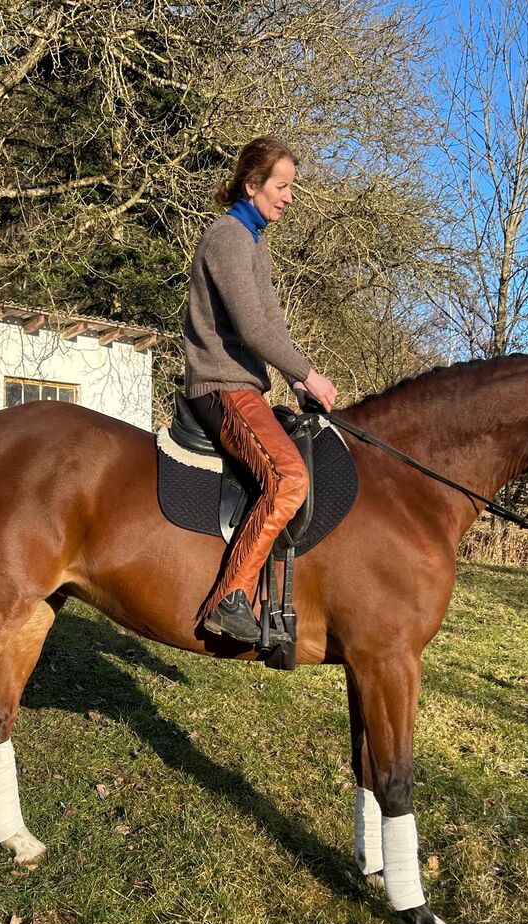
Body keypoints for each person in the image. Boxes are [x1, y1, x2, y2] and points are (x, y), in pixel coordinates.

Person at [182, 136, 339, 643]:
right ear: (252, 185)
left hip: (244, 385)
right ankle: (230, 599)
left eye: (291, 187)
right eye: (282, 186)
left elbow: (270, 324)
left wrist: (294, 378)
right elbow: (251, 329)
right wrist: (310, 373)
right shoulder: (228, 237)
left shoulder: (254, 241)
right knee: (290, 478)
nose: (289, 197)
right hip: (222, 386)